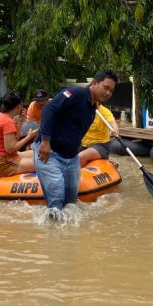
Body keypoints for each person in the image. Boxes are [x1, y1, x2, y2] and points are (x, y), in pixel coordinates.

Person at [34, 70, 118, 210]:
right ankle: (52, 229)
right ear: (95, 83)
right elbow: (49, 108)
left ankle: (69, 232)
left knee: (71, 202)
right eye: (106, 87)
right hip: (51, 152)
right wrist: (45, 140)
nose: (108, 93)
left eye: (111, 90)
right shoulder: (76, 94)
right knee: (57, 200)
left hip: (71, 157)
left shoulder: (92, 108)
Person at [0, 91, 39, 177]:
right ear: (19, 106)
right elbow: (10, 149)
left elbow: (14, 139)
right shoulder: (7, 122)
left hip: (2, 157)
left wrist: (22, 120)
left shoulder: (1, 116)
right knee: (42, 164)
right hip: (1, 163)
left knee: (36, 153)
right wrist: (29, 137)